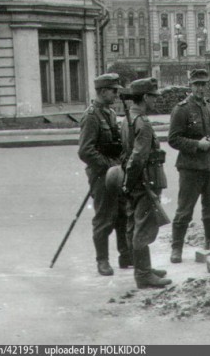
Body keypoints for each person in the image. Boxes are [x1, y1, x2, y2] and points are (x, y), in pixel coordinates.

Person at [168, 69, 210, 263]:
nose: (201, 88)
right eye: (197, 84)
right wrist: (196, 145)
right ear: (190, 86)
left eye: (204, 84)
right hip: (191, 167)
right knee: (185, 209)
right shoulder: (182, 109)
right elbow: (173, 139)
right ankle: (176, 248)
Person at [120, 78, 172, 289]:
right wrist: (133, 182)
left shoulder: (128, 118)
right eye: (153, 96)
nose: (155, 100)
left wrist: (127, 183)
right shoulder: (142, 122)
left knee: (135, 224)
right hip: (145, 181)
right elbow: (139, 156)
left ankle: (144, 268)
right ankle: (143, 274)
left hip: (135, 181)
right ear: (145, 97)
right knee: (143, 227)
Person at [77, 73, 130, 276]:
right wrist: (108, 166)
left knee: (122, 214)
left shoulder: (109, 113)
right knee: (104, 217)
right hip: (101, 175)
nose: (116, 94)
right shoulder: (91, 116)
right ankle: (102, 260)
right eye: (114, 90)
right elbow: (85, 151)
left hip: (116, 172)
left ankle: (125, 256)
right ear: (102, 91)